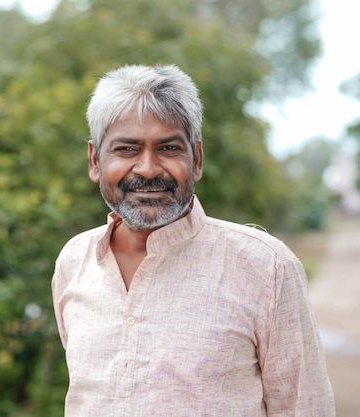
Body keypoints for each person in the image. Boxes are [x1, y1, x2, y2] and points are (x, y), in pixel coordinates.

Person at [51, 64, 335, 416]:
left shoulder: (267, 268)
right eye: (126, 149)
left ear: (196, 159)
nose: (148, 169)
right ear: (95, 161)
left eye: (168, 148)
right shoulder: (75, 262)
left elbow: (304, 408)